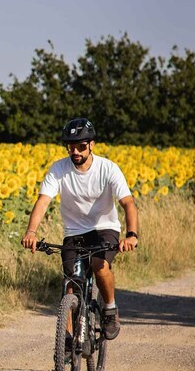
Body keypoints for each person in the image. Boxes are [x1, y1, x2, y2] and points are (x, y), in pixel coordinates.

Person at [21, 118, 139, 340]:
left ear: (92, 144)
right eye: (70, 146)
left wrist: (131, 235)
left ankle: (110, 309)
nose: (75, 151)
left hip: (105, 228)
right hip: (74, 233)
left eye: (81, 146)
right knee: (71, 282)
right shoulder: (59, 169)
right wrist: (31, 232)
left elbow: (128, 203)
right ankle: (65, 341)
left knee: (99, 264)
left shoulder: (108, 168)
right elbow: (43, 201)